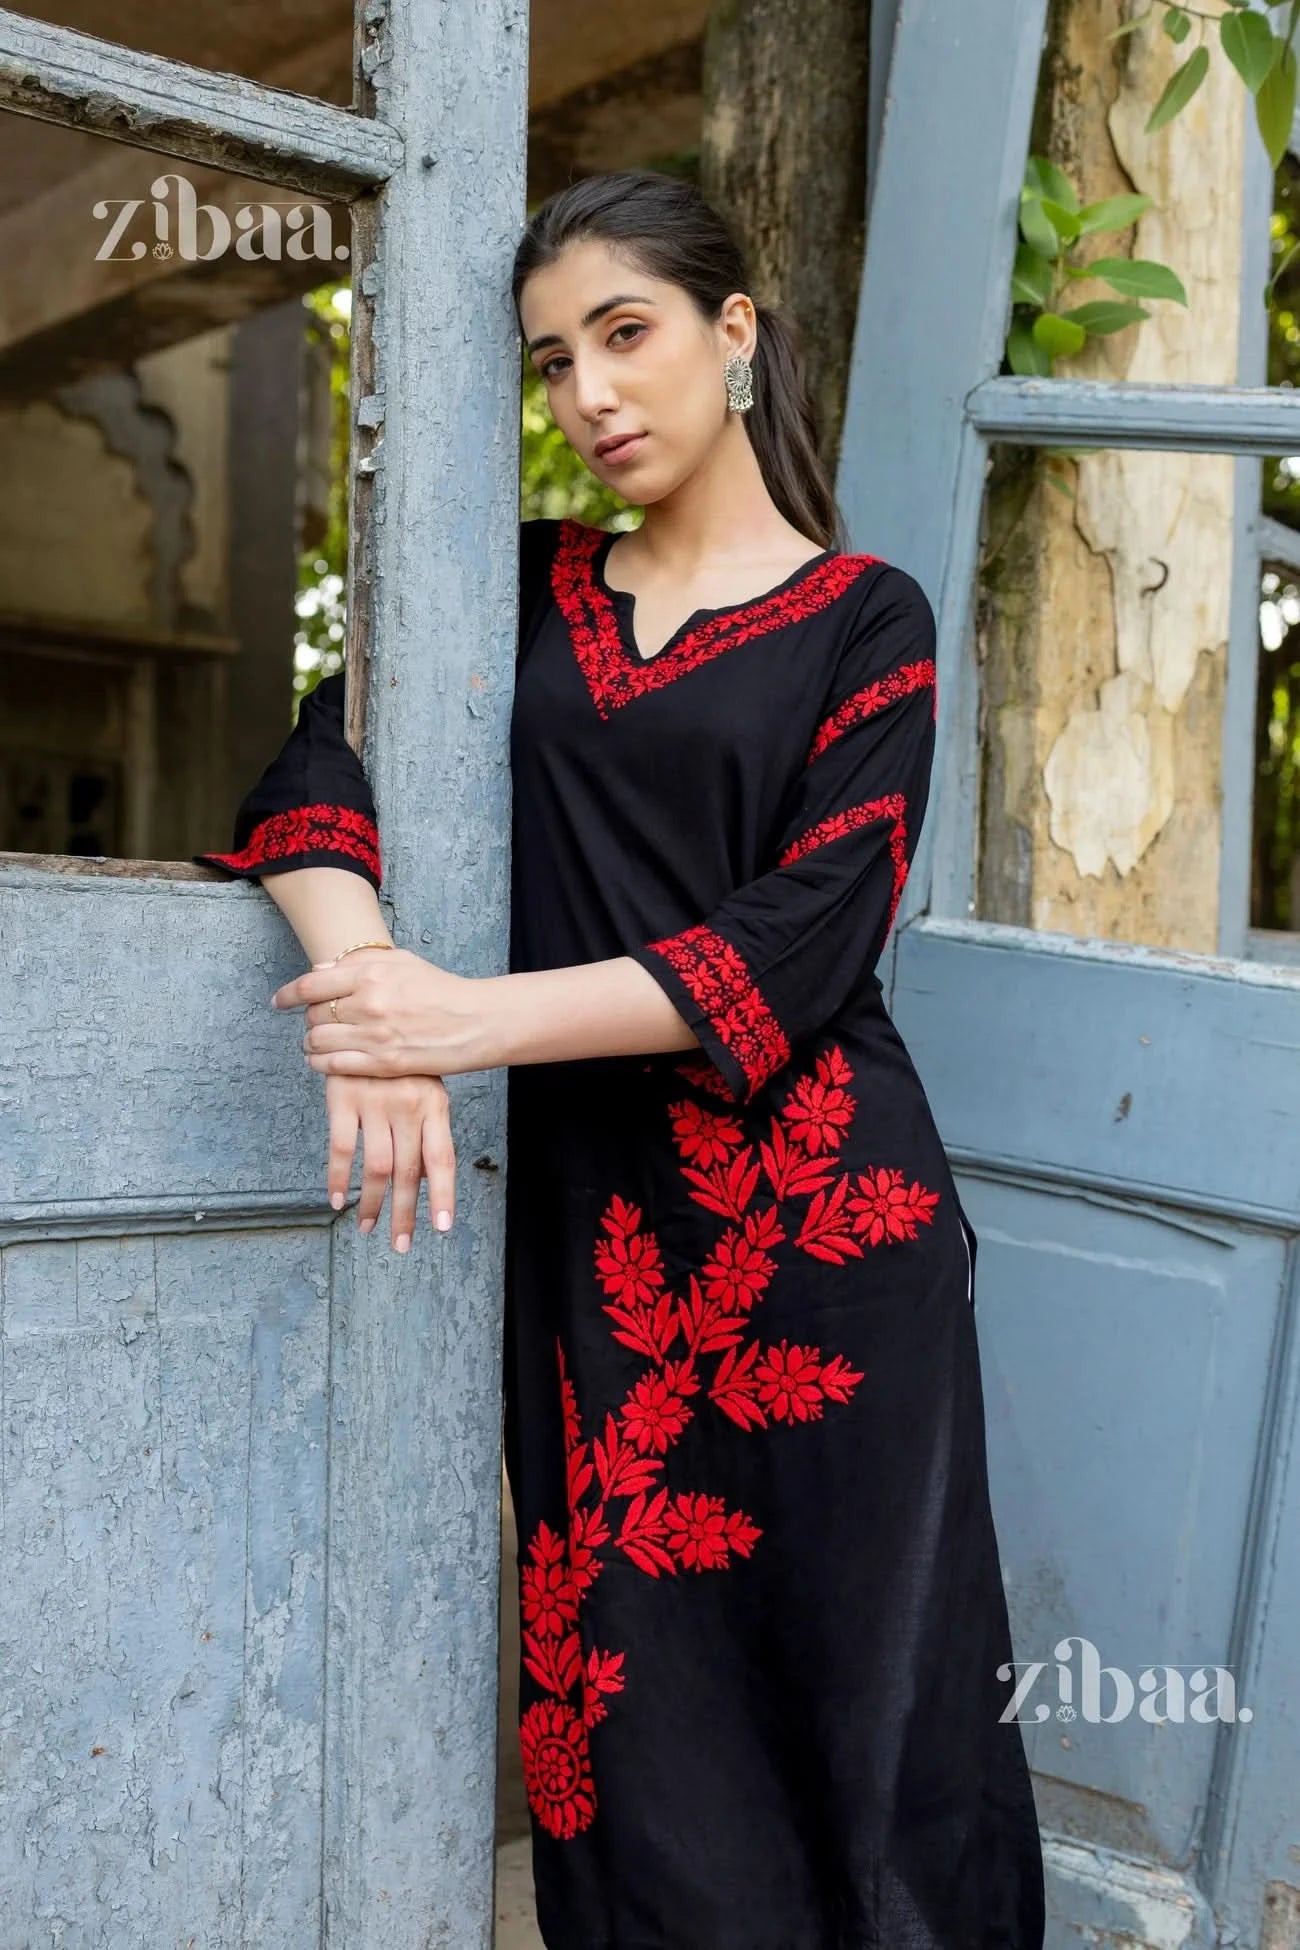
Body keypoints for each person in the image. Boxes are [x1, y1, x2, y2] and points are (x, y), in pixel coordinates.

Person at [195, 167, 1045, 1950]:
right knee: (628, 1698)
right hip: (599, 1244)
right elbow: (313, 764)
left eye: (625, 333)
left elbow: (809, 933)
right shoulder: (520, 589)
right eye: (551, 360)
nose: (587, 392)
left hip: (829, 1238)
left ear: (733, 333)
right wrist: (369, 992)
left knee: (871, 1702)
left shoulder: (868, 618)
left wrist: (464, 1020)